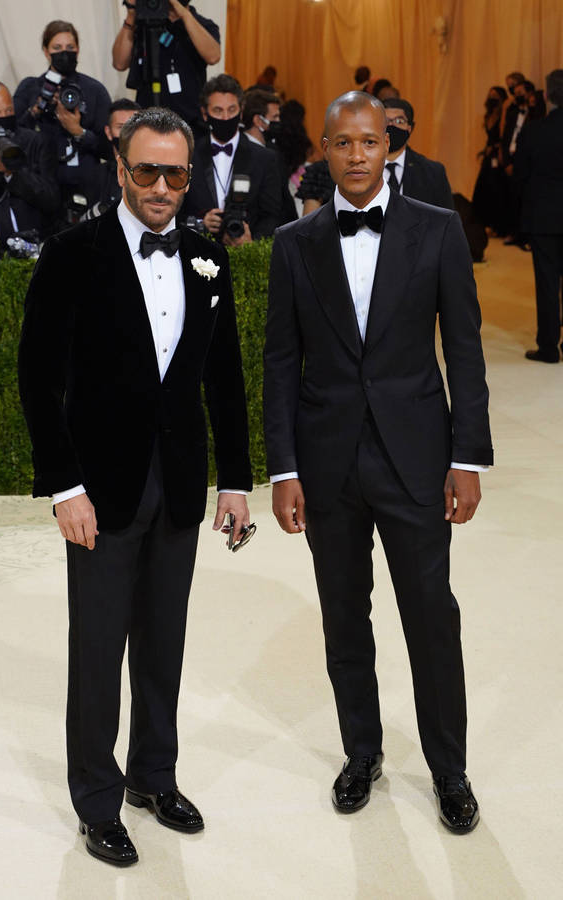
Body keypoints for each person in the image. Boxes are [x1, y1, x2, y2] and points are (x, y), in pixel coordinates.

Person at [18, 106, 252, 865]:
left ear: (189, 176)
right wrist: (64, 486)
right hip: (100, 490)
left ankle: (155, 776)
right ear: (120, 169)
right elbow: (37, 379)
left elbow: (224, 378)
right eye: (146, 170)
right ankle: (98, 799)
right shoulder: (71, 253)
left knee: (164, 643)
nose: (160, 186)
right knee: (97, 650)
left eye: (174, 173)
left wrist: (235, 481)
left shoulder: (209, 258)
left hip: (179, 484)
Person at [263, 91, 492, 834]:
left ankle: (449, 769)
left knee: (431, 617)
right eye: (343, 142)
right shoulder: (295, 243)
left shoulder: (437, 228)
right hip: (326, 461)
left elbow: (464, 349)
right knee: (343, 617)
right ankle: (361, 752)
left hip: (416, 458)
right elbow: (280, 361)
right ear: (325, 151)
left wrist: (468, 456)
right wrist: (284, 469)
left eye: (370, 141)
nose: (358, 154)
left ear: (388, 147)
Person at [14, 20, 111, 220]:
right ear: (46, 51)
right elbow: (14, 136)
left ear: (78, 49)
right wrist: (36, 110)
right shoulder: (31, 88)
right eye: (57, 48)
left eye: (70, 47)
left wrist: (79, 132)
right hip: (44, 187)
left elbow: (110, 148)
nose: (64, 53)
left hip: (88, 185)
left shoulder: (94, 90)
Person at [178, 74, 282, 245]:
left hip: (246, 254)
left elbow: (272, 215)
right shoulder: (188, 155)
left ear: (241, 111)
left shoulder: (264, 159)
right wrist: (200, 223)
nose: (226, 117)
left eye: (232, 110)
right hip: (198, 250)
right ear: (205, 114)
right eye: (218, 111)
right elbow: (175, 209)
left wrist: (251, 242)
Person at [0, 80, 59, 254]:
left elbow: (51, 199)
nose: (3, 117)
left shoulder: (34, 142)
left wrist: (12, 172)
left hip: (25, 250)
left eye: (9, 111)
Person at [112, 0, 220, 132]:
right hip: (147, 120)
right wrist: (131, 14)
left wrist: (184, 14)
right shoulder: (145, 22)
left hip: (190, 121)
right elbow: (119, 63)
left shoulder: (201, 24)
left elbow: (213, 56)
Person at [515, 69, 563, 363]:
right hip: (546, 214)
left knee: (547, 283)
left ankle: (548, 346)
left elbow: (520, 177)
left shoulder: (534, 131)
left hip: (544, 217)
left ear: (546, 95)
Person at [383, 98, 454, 209]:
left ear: (409, 128)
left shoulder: (432, 173)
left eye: (399, 121)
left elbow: (446, 217)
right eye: (386, 121)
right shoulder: (361, 168)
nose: (391, 126)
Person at [242, 89, 297, 224]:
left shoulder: (274, 150)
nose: (279, 121)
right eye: (275, 117)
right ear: (258, 120)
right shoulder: (241, 151)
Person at [84, 98, 141, 219]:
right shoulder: (95, 176)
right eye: (121, 127)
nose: (127, 134)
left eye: (133, 127)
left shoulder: (157, 174)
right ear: (108, 132)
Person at [501, 79, 534, 247]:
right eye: (516, 93)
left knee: (526, 200)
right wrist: (506, 161)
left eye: (521, 93)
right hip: (511, 159)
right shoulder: (512, 113)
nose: (517, 95)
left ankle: (526, 235)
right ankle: (513, 232)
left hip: (525, 162)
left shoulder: (535, 115)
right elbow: (506, 137)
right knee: (511, 199)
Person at [472, 86, 509, 236]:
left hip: (498, 156)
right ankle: (483, 224)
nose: (492, 98)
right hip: (489, 157)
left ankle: (497, 225)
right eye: (490, 95)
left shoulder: (504, 115)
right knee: (483, 188)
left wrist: (495, 148)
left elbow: (502, 136)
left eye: (495, 95)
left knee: (497, 189)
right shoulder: (488, 115)